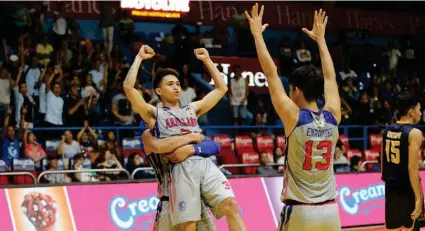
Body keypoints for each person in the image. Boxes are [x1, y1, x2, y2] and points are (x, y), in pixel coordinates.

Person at [124, 45, 246, 231]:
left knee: (231, 206)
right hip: (179, 171)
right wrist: (139, 58)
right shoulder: (154, 114)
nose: (176, 87)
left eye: (178, 84)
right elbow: (128, 87)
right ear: (158, 91)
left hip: (204, 165)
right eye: (170, 84)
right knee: (188, 226)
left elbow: (221, 88)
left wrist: (207, 61)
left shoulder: (191, 109)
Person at [247, 5, 341, 230]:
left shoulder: (294, 117)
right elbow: (330, 76)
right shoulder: (334, 115)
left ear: (296, 90)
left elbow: (270, 73)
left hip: (300, 211)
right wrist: (321, 41)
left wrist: (257, 36)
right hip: (331, 211)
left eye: (290, 89)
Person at [140, 99, 219, 231]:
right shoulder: (149, 134)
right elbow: (159, 145)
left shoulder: (183, 131)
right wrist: (191, 138)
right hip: (169, 199)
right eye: (163, 113)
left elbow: (214, 146)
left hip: (194, 197)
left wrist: (193, 147)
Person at [381, 93, 425, 231]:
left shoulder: (386, 131)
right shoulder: (414, 133)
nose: (420, 113)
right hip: (408, 189)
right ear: (411, 112)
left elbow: (383, 163)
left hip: (391, 188)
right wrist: (418, 198)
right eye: (419, 110)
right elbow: (412, 168)